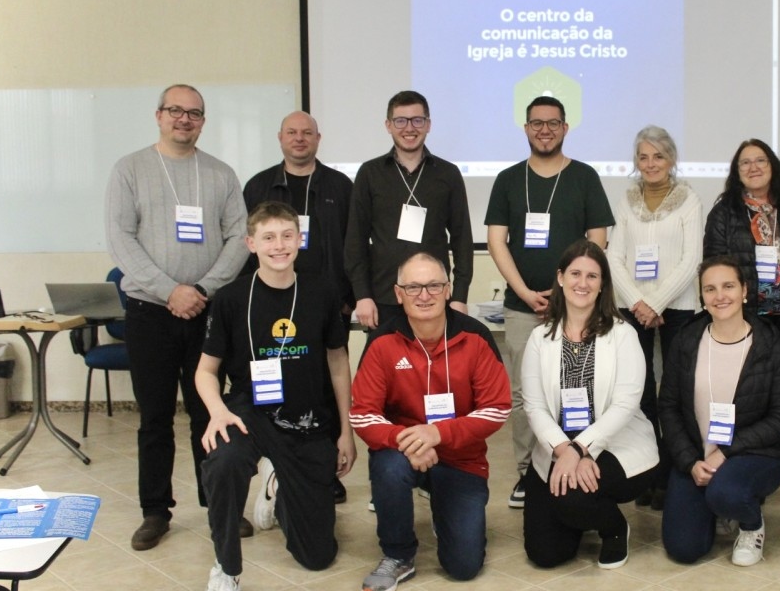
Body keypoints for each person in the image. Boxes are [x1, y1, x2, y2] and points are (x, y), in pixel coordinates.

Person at [194, 202, 355, 591]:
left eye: (287, 235)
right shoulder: (230, 299)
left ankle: (277, 488)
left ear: (299, 240)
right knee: (224, 460)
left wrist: (346, 431)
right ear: (251, 244)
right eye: (268, 237)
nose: (279, 245)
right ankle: (226, 571)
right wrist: (216, 412)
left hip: (308, 419)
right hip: (252, 412)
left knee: (318, 557)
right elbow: (206, 371)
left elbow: (338, 362)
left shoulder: (322, 292)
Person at [105, 83, 249, 552]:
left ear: (203, 121)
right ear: (159, 115)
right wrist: (172, 292)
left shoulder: (221, 174)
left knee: (209, 411)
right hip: (150, 312)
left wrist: (202, 290)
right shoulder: (129, 170)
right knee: (155, 417)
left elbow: (238, 238)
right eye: (175, 111)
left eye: (194, 113)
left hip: (207, 311)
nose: (184, 120)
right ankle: (155, 510)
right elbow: (121, 241)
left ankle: (216, 503)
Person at [350, 252, 511, 591]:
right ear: (398, 293)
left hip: (460, 458)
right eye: (413, 287)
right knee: (389, 469)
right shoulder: (381, 342)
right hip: (403, 452)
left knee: (464, 567)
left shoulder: (476, 337)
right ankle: (398, 554)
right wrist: (408, 440)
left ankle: (445, 511)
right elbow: (362, 414)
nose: (424, 295)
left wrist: (437, 433)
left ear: (448, 289)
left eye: (433, 285)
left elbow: (496, 408)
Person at [486, 96, 614, 509]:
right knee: (526, 394)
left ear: (565, 128)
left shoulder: (584, 177)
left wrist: (569, 294)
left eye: (553, 123)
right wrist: (524, 291)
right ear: (526, 128)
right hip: (523, 307)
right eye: (537, 123)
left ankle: (580, 459)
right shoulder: (508, 179)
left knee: (579, 387)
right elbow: (495, 241)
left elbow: (598, 241)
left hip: (576, 307)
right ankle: (528, 473)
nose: (545, 130)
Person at [520, 240, 656, 569]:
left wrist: (581, 449)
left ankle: (613, 528)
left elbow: (625, 404)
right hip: (557, 446)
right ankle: (580, 512)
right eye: (575, 273)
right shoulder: (540, 338)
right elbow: (534, 406)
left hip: (616, 444)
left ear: (602, 285)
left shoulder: (623, 335)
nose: (583, 283)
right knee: (546, 554)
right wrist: (563, 448)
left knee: (571, 497)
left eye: (592, 276)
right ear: (561, 278)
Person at [703, 138, 780, 504]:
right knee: (750, 403)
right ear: (736, 172)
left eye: (760, 160)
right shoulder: (723, 213)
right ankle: (747, 475)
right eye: (745, 163)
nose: (753, 167)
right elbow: (715, 267)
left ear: (773, 165)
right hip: (745, 324)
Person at [244, 110, 354, 503]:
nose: (300, 139)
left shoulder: (340, 185)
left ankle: (326, 468)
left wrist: (348, 299)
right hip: (270, 304)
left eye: (307, 133)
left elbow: (353, 244)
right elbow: (247, 251)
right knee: (281, 385)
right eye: (292, 132)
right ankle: (277, 463)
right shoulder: (259, 185)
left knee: (324, 386)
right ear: (280, 138)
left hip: (326, 304)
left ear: (319, 138)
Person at [658, 256, 780, 566]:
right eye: (710, 289)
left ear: (745, 290)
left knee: (726, 491)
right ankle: (719, 506)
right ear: (702, 297)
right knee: (684, 549)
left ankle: (750, 524)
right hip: (696, 457)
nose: (720, 296)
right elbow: (668, 407)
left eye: (729, 286)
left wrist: (726, 452)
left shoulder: (771, 345)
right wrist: (690, 462)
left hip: (755, 455)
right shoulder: (686, 341)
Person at [605, 125, 702, 510]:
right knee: (639, 393)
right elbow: (614, 257)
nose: (650, 164)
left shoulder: (689, 199)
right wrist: (638, 302)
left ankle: (674, 474)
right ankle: (648, 473)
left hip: (677, 307)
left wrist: (656, 303)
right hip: (633, 307)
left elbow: (692, 258)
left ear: (671, 159)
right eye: (643, 157)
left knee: (675, 393)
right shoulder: (626, 200)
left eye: (658, 156)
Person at [346, 90, 474, 338]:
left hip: (434, 298)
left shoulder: (448, 174)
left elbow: (462, 240)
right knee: (382, 373)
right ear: (388, 125)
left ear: (428, 124)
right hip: (384, 298)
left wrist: (459, 296)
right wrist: (362, 295)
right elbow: (355, 241)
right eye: (400, 121)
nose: (409, 128)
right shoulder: (370, 174)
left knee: (434, 373)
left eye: (417, 120)